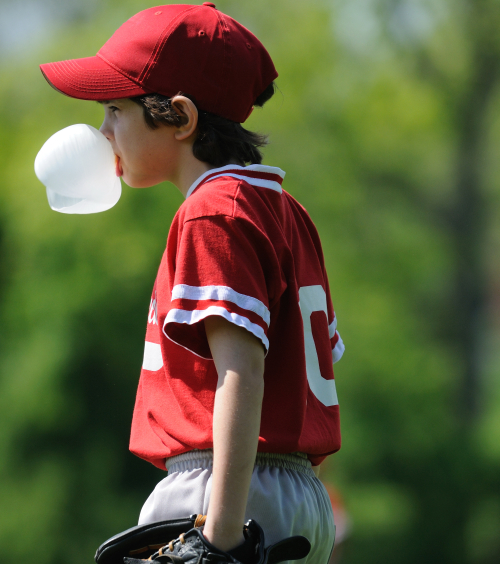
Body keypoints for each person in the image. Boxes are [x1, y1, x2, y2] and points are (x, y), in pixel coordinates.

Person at [38, 4, 344, 563]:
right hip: (296, 494)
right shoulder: (283, 208)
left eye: (114, 109)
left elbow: (242, 373)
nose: (104, 132)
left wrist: (220, 537)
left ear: (179, 118)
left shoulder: (213, 212)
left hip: (224, 493)